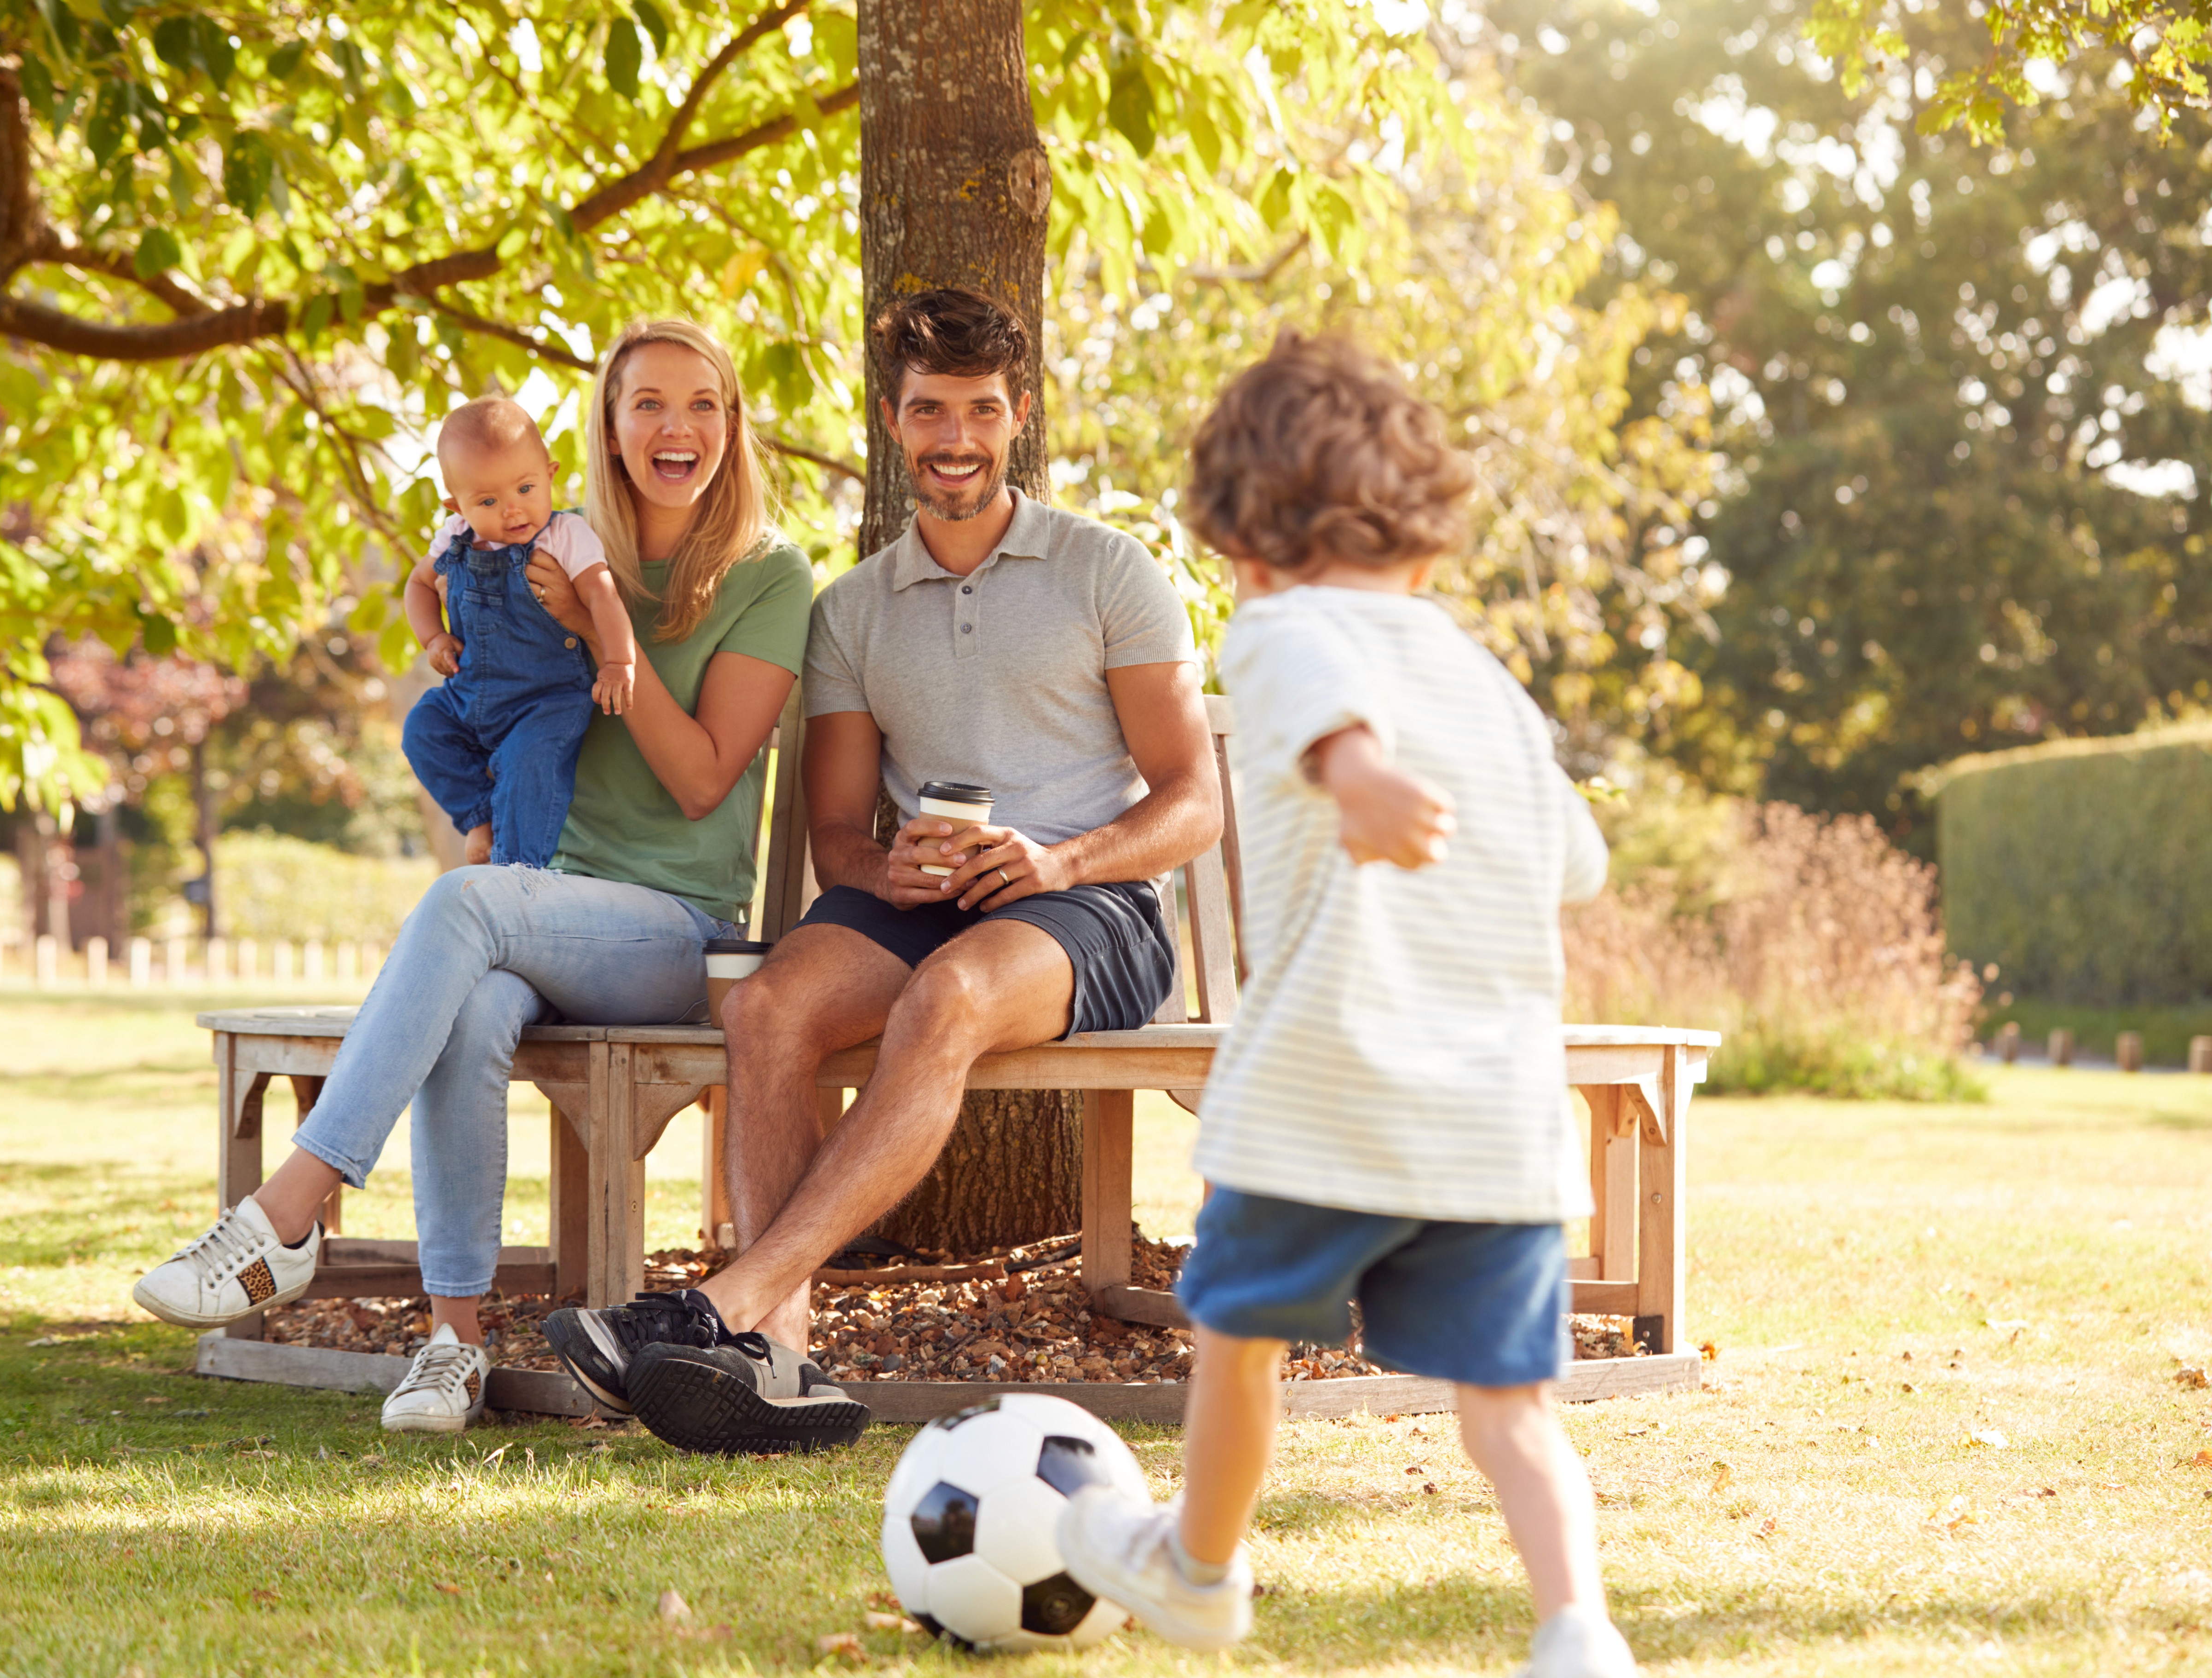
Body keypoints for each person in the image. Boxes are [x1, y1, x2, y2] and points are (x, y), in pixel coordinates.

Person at [543, 287, 1222, 1455]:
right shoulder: (853, 607)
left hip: (1091, 905)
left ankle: (725, 1311)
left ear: (1016, 417)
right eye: (927, 413)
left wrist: (1053, 856)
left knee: (946, 998)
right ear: (893, 423)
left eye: (977, 411)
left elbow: (1193, 800)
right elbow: (836, 836)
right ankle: (775, 1365)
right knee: (767, 1004)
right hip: (922, 905)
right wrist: (885, 869)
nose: (953, 438)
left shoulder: (1106, 571)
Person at [1052, 333, 1629, 1678]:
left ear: (1244, 542)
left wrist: (1358, 772)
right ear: (1422, 532)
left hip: (1326, 1100)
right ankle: (1577, 1631)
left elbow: (1317, 699)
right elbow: (1578, 864)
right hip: (1496, 1127)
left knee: (1239, 1340)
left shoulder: (1277, 629)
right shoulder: (1489, 686)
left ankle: (1197, 1568)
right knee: (1514, 1407)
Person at [131, 320, 817, 1435]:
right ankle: (451, 1344)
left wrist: (600, 646)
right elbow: (488, 688)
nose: (673, 427)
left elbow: (700, 782)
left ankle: (286, 1214)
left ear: (731, 427)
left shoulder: (766, 575)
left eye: (700, 404)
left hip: (668, 929)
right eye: (645, 403)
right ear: (609, 425)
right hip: (532, 900)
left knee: (461, 903)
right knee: (472, 1002)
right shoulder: (535, 536)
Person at [402, 394, 639, 869]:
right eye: (488, 501)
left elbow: (603, 596)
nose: (513, 511)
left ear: (550, 475)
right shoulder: (455, 538)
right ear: (458, 505)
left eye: (526, 489)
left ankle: (516, 869)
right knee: (422, 730)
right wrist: (433, 637)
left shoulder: (565, 535)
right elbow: (418, 583)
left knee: (529, 769)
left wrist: (619, 661)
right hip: (469, 695)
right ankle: (478, 818)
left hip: (545, 701)